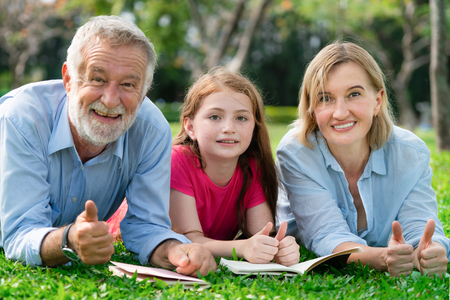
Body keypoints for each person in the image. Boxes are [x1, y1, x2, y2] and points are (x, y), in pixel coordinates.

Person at [0, 15, 216, 277]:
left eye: (128, 85)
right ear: (68, 79)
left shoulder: (151, 130)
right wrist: (69, 240)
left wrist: (175, 250)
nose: (111, 100)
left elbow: (146, 225)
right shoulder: (23, 118)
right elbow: (18, 234)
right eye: (97, 79)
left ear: (144, 90)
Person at [276, 41, 449, 277]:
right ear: (312, 108)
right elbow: (327, 236)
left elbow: (421, 227)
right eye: (325, 98)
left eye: (354, 94)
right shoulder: (297, 153)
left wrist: (430, 252)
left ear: (378, 101)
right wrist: (383, 257)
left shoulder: (410, 153)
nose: (340, 112)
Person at [168, 67, 300, 266]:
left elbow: (262, 234)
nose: (229, 128)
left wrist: (278, 248)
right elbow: (190, 241)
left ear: (254, 127)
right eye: (215, 117)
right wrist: (243, 248)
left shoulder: (252, 168)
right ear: (190, 127)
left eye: (241, 118)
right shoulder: (178, 160)